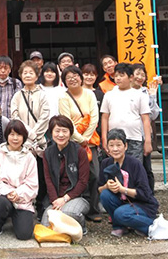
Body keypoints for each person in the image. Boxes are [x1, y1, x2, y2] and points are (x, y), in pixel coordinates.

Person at [58, 65, 101, 223]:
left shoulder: (89, 94)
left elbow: (94, 117)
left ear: (81, 78)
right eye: (68, 77)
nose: (72, 79)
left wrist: (86, 139)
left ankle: (94, 208)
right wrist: (79, 138)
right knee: (76, 176)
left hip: (90, 142)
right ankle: (78, 208)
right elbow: (66, 121)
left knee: (95, 175)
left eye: (75, 76)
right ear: (64, 81)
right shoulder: (64, 98)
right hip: (73, 143)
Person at [99, 129, 159, 237]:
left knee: (120, 214)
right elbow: (99, 189)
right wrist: (107, 186)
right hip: (122, 202)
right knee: (105, 195)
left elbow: (145, 193)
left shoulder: (135, 164)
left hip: (141, 204)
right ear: (107, 147)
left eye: (118, 145)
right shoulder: (105, 163)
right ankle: (120, 227)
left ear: (125, 146)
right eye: (111, 145)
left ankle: (152, 226)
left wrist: (122, 189)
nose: (115, 149)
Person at [10, 60, 50, 215]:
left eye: (30, 72)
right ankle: (23, 205)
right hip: (22, 142)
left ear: (36, 75)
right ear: (20, 75)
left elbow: (45, 117)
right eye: (24, 72)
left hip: (39, 142)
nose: (27, 75)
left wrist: (33, 136)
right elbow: (15, 117)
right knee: (21, 174)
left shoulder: (43, 95)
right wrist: (27, 136)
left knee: (40, 174)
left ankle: (40, 205)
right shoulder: (17, 96)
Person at [0, 120, 38, 239]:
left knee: (24, 235)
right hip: (4, 197)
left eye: (19, 134)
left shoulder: (30, 157)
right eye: (12, 134)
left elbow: (32, 184)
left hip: (22, 200)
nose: (15, 138)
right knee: (0, 204)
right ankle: (0, 220)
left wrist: (18, 193)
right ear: (7, 136)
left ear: (24, 137)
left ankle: (18, 218)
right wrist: (9, 192)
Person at [41, 115, 90, 234]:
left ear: (70, 132)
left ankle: (81, 225)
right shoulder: (48, 153)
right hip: (57, 199)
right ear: (51, 132)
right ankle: (68, 228)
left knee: (68, 212)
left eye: (64, 131)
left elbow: (83, 182)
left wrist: (65, 198)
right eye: (57, 131)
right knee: (46, 224)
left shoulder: (80, 152)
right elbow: (48, 180)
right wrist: (55, 201)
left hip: (77, 196)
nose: (61, 135)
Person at [100, 63, 152, 161]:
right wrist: (104, 138)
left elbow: (145, 119)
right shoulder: (108, 95)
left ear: (131, 77)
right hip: (114, 139)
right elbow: (104, 117)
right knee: (115, 170)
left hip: (134, 138)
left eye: (121, 75)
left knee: (134, 169)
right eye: (116, 76)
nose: (118, 78)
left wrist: (148, 140)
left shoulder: (140, 95)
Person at [131, 63, 161, 192]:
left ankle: (149, 196)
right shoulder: (123, 91)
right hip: (129, 134)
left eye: (143, 75)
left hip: (143, 135)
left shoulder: (146, 92)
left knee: (146, 167)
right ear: (130, 76)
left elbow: (153, 115)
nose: (140, 77)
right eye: (137, 74)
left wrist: (153, 95)